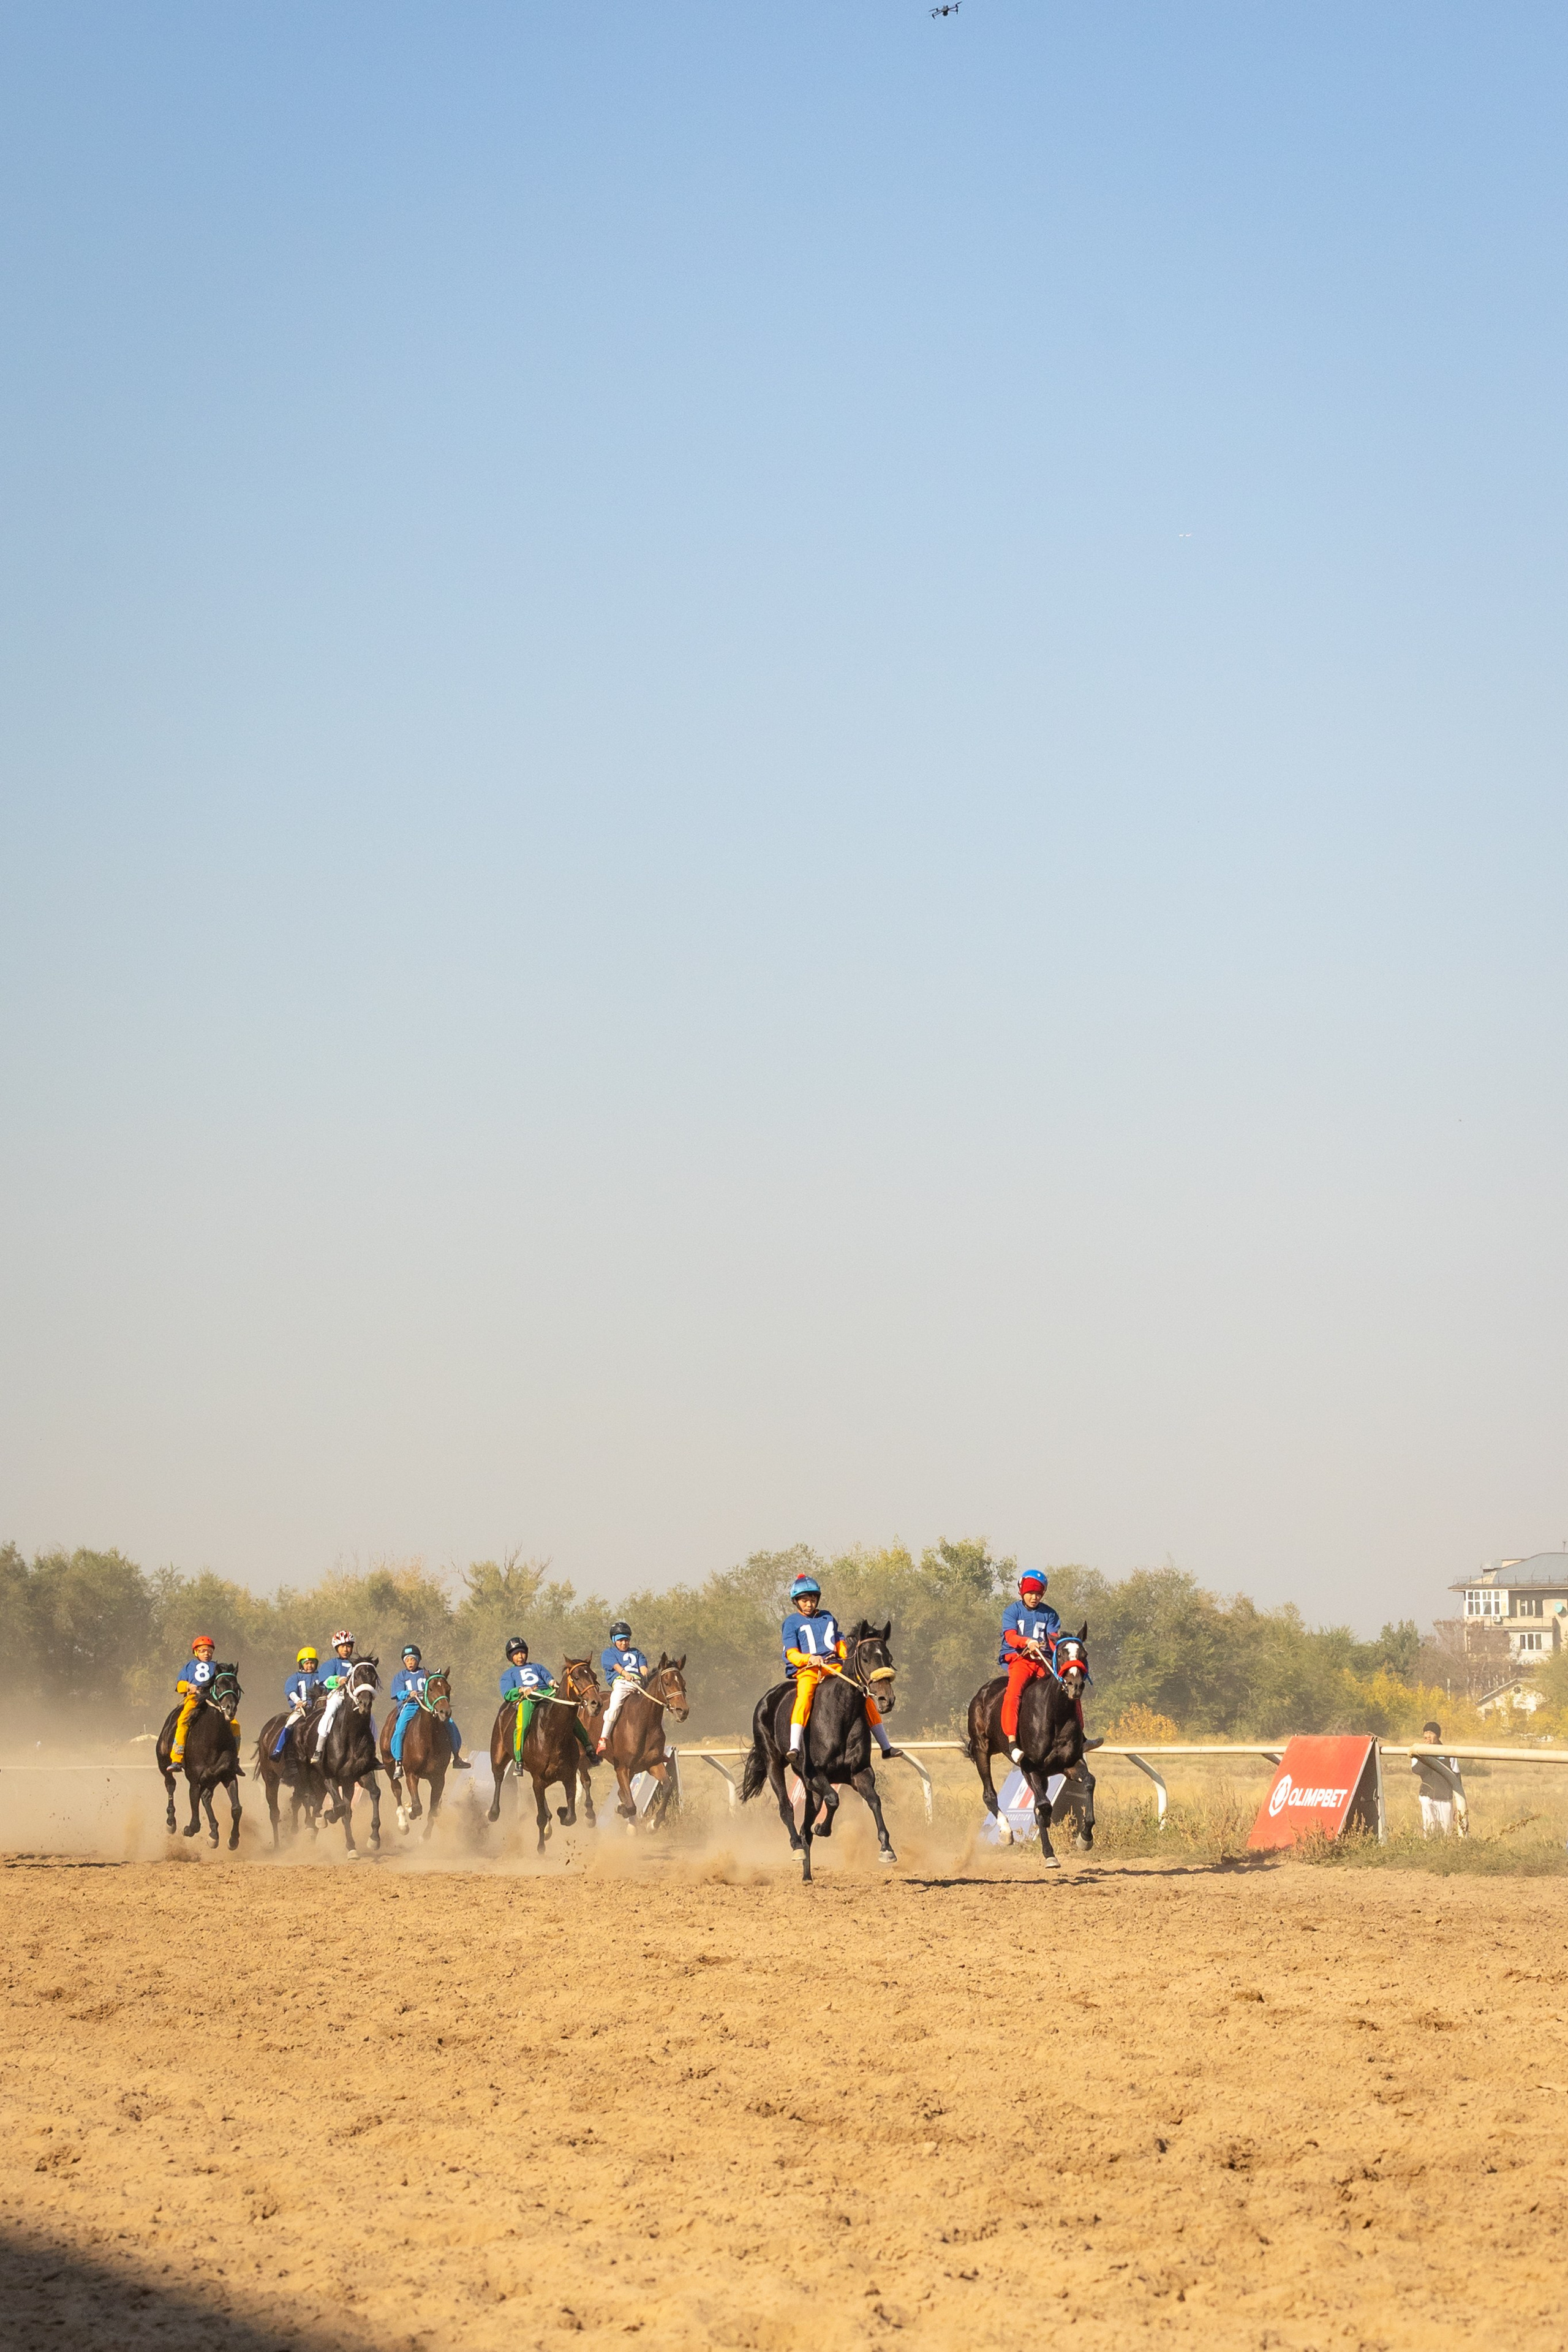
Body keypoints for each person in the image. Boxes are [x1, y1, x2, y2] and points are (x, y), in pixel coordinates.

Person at [779, 1574, 897, 1763]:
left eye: (812, 1599)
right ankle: (794, 1746)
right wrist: (810, 1658)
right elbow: (791, 1653)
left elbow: (839, 1642)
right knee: (805, 1695)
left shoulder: (827, 1617)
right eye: (804, 1600)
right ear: (796, 1602)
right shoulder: (792, 1622)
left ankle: (886, 1746)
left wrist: (846, 1654)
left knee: (863, 1694)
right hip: (809, 1669)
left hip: (834, 1667)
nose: (809, 1604)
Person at [998, 1572, 1061, 1765]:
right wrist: (1028, 1642)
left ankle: (1079, 1738)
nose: (1034, 1597)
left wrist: (1054, 1650)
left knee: (1064, 1687)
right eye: (1030, 1593)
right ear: (1022, 1592)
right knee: (1013, 1693)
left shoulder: (1050, 1614)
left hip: (1043, 1661)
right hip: (1020, 1659)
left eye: (1038, 1594)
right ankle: (1012, 1742)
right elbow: (1010, 1637)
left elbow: (1053, 1641)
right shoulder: (1011, 1612)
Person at [499, 1637, 592, 1763]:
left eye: (522, 1653)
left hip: (547, 1694)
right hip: (528, 1698)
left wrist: (552, 1682)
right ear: (510, 1657)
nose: (520, 1656)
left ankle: (588, 1745)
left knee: (568, 1714)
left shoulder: (537, 1667)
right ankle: (519, 1758)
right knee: (523, 1724)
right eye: (515, 1654)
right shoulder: (508, 1674)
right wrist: (521, 1690)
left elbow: (548, 1678)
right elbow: (507, 1694)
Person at [388, 1644, 469, 1770]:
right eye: (407, 1660)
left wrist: (438, 1679)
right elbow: (396, 1694)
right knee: (400, 1730)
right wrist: (408, 1693)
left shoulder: (426, 1674)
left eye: (413, 1659)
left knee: (451, 1724)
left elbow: (436, 1686)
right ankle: (398, 1761)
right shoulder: (400, 1676)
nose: (410, 1662)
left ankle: (457, 1757)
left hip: (428, 1707)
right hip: (410, 1706)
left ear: (418, 1660)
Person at [595, 1622, 650, 1755]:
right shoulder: (609, 1653)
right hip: (622, 1684)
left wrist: (644, 1677)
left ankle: (657, 1745)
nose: (624, 1643)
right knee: (613, 1708)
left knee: (654, 1707)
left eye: (626, 1640)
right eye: (620, 1640)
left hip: (639, 1684)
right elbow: (616, 1667)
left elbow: (643, 1668)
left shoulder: (637, 1653)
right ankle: (603, 1738)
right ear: (614, 1641)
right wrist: (625, 1674)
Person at [309, 1630, 359, 1765]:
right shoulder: (331, 1664)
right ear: (337, 1648)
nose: (346, 1649)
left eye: (348, 1646)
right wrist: (338, 1680)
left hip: (353, 1697)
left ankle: (371, 1754)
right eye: (343, 1646)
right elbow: (325, 1681)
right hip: (337, 1694)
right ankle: (319, 1749)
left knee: (369, 1718)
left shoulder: (357, 1664)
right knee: (329, 1713)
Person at [1411, 1721, 1468, 1838]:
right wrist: (1424, 1753)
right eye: (1425, 1733)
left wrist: (1459, 1805)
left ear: (1437, 1736)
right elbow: (1417, 1770)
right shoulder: (1417, 1751)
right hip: (1427, 1797)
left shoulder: (1448, 1752)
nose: (1427, 1736)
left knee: (1446, 1833)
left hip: (1445, 1799)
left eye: (1431, 1733)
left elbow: (1457, 1777)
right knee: (1429, 1831)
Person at [171, 1635, 219, 1765]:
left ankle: (234, 1760)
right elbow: (179, 1684)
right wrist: (189, 1686)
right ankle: (177, 1757)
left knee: (235, 1725)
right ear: (196, 1652)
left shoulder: (217, 1666)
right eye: (203, 1650)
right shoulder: (189, 1666)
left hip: (213, 1700)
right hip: (194, 1698)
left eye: (210, 1651)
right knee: (183, 1721)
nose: (207, 1654)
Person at [272, 1647, 323, 1758]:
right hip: (302, 1708)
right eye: (307, 1663)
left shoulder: (321, 1676)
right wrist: (298, 1702)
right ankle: (278, 1749)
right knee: (290, 1722)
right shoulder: (295, 1678)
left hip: (319, 1708)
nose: (310, 1666)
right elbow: (290, 1692)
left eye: (312, 1663)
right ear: (301, 1664)